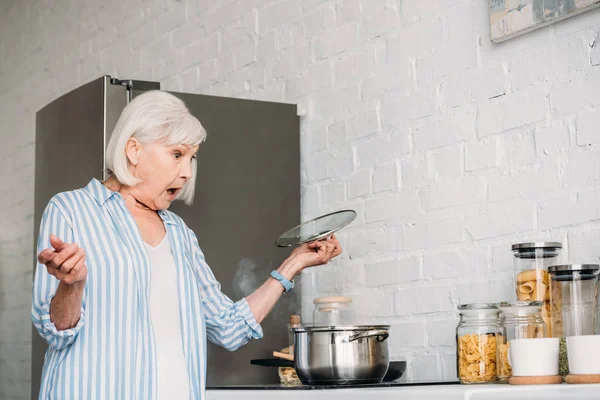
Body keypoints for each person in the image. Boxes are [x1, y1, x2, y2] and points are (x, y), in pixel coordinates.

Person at [31, 90, 342, 399]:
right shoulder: (72, 210)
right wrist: (72, 286)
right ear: (134, 150)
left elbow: (228, 327)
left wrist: (294, 263)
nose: (188, 172)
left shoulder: (179, 233)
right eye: (177, 155)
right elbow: (53, 331)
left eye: (192, 158)